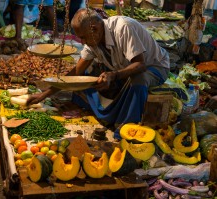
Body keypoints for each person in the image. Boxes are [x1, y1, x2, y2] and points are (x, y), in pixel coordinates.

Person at [26, 8, 170, 138]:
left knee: (139, 78)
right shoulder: (93, 40)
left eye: (83, 37)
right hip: (123, 69)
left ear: (94, 29)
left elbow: (140, 64)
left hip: (154, 67)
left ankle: (126, 127)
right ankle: (103, 112)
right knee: (86, 75)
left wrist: (113, 75)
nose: (82, 42)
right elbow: (75, 72)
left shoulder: (123, 28)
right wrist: (43, 94)